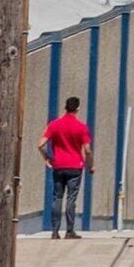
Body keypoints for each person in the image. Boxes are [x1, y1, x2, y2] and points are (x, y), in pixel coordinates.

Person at [40, 95, 92, 237]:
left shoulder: (55, 124)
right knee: (71, 198)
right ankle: (69, 231)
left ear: (65, 107)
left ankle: (55, 231)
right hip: (75, 166)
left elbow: (40, 144)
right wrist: (90, 165)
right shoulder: (81, 127)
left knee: (57, 197)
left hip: (58, 165)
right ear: (78, 108)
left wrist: (47, 157)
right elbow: (87, 150)